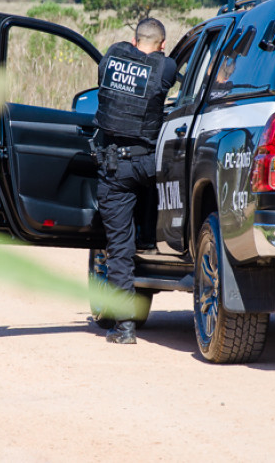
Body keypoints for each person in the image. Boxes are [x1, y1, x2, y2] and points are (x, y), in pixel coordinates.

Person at [93, 17, 177, 344]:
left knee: (119, 248)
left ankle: (125, 328)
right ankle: (160, 244)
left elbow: (117, 61)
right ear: (162, 44)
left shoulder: (113, 55)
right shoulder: (165, 66)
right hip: (151, 163)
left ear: (132, 38)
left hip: (116, 167)